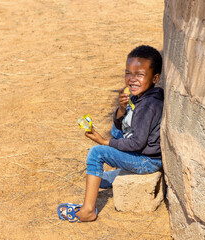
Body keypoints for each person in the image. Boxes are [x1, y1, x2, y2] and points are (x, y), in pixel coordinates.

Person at [57, 45, 164, 222]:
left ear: (155, 78)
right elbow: (120, 132)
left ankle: (88, 211)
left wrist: (103, 141)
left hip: (147, 160)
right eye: (128, 73)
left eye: (140, 74)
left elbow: (136, 143)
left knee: (96, 153)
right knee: (105, 169)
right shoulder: (138, 97)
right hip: (139, 153)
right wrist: (122, 110)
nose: (132, 79)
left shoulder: (149, 105)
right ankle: (105, 180)